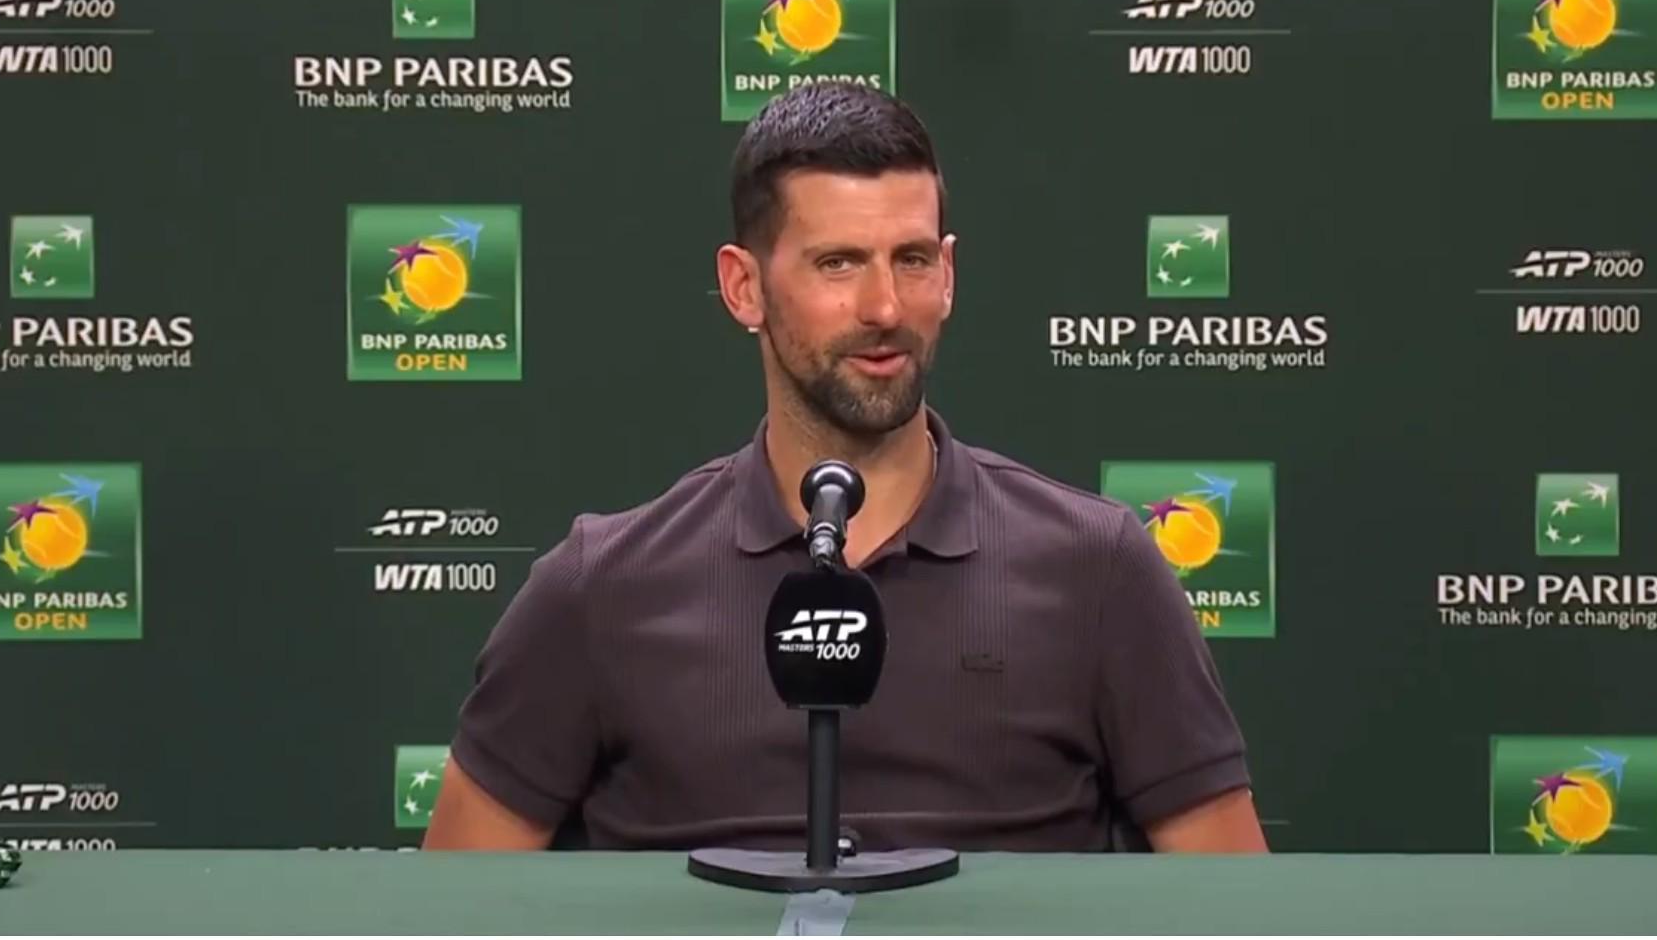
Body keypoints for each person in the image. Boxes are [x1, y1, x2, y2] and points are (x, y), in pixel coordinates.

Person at [425, 82, 1267, 854]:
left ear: (948, 275)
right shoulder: (602, 589)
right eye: (838, 264)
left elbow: (1232, 908)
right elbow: (454, 910)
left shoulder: (1098, 568)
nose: (884, 308)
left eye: (913, 260)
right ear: (743, 287)